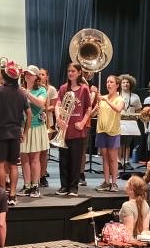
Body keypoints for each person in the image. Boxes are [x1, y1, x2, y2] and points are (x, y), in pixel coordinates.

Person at [0, 61, 31, 206]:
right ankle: (12, 195)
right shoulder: (21, 92)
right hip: (15, 132)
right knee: (13, 165)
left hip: (1, 132)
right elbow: (29, 114)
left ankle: (1, 196)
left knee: (0, 164)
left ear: (4, 76)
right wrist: (24, 131)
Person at [55, 63, 94, 197]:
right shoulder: (63, 88)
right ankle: (64, 186)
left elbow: (88, 108)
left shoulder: (84, 89)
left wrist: (83, 122)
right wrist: (58, 119)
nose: (70, 73)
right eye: (69, 71)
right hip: (65, 129)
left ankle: (73, 187)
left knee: (75, 160)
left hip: (78, 130)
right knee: (63, 159)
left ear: (79, 73)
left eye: (73, 71)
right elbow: (58, 104)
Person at [19, 66, 48, 198]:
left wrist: (27, 94)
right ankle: (27, 185)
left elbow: (41, 104)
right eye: (26, 74)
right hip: (22, 126)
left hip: (36, 127)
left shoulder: (41, 90)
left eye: (30, 74)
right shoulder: (20, 89)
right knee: (24, 157)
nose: (27, 76)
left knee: (35, 158)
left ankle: (35, 186)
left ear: (36, 77)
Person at [94, 75, 124, 192]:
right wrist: (94, 110)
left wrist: (106, 100)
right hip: (101, 130)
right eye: (107, 82)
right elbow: (94, 114)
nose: (108, 84)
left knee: (113, 158)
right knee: (105, 158)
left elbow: (118, 109)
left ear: (117, 85)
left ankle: (114, 183)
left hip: (113, 131)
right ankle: (106, 182)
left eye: (111, 82)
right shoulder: (102, 98)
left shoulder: (119, 99)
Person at [117, 175, 149, 248]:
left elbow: (128, 232)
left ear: (131, 189)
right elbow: (145, 230)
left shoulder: (127, 205)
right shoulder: (146, 204)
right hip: (139, 244)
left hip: (128, 246)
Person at [118, 74, 142, 169]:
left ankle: (126, 161)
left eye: (127, 82)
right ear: (120, 84)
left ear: (130, 84)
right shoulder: (117, 95)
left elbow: (139, 110)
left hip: (131, 122)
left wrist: (136, 118)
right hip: (119, 121)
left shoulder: (136, 97)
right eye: (123, 82)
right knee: (119, 142)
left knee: (127, 143)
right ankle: (119, 161)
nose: (125, 84)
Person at [38, 68, 57, 188]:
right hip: (36, 121)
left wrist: (43, 107)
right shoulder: (35, 89)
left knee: (44, 151)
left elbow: (54, 106)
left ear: (47, 77)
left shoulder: (51, 89)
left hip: (47, 121)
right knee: (36, 151)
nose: (40, 76)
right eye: (39, 74)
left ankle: (42, 175)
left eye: (43, 74)